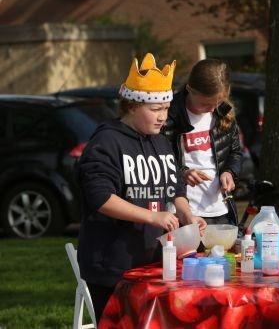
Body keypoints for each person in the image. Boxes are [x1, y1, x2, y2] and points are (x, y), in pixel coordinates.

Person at [76, 53, 206, 323]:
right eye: (155, 110)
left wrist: (186, 215)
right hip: (114, 267)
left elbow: (175, 186)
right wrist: (151, 216)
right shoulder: (106, 141)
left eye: (167, 108)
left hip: (154, 264)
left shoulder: (160, 142)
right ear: (132, 106)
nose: (163, 117)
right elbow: (100, 198)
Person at [163, 58, 242, 226]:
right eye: (206, 103)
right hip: (184, 210)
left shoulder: (223, 113)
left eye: (218, 102)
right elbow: (160, 161)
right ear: (190, 90)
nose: (213, 109)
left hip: (220, 208)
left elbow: (235, 152)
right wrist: (183, 172)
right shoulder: (169, 115)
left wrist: (229, 172)